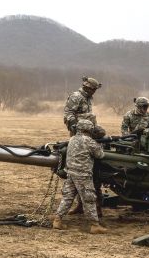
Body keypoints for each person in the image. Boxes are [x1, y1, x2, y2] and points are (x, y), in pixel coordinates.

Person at [53, 119, 107, 234]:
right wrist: (100, 144)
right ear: (88, 129)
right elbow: (100, 155)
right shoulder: (88, 141)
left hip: (71, 173)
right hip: (83, 175)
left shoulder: (72, 139)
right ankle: (95, 225)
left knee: (67, 197)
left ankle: (57, 220)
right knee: (89, 199)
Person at [62, 77, 102, 215]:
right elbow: (68, 114)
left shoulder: (88, 98)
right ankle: (83, 205)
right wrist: (75, 128)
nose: (94, 92)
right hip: (79, 134)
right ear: (88, 87)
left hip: (88, 132)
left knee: (90, 168)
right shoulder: (76, 96)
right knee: (81, 168)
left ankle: (85, 205)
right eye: (93, 89)